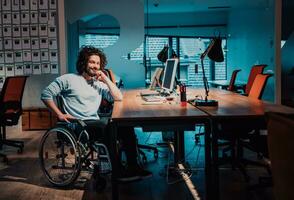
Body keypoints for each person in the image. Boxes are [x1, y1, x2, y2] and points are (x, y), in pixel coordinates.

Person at [41, 46, 152, 181]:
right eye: (92, 62)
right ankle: (117, 171)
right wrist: (59, 114)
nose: (95, 66)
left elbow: (118, 97)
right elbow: (46, 94)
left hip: (94, 121)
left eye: (98, 63)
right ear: (84, 62)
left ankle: (133, 167)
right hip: (77, 124)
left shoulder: (98, 84)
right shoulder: (68, 79)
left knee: (125, 126)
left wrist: (105, 79)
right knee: (110, 128)